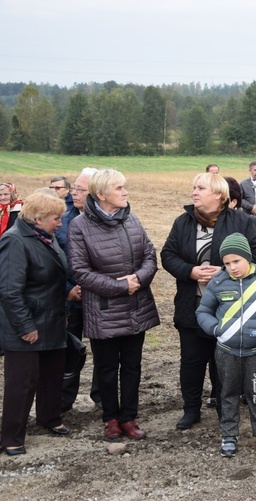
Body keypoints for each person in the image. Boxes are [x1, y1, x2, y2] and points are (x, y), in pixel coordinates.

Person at [161, 173, 256, 431]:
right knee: (191, 362)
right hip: (192, 306)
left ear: (219, 195)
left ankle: (226, 411)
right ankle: (190, 410)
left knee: (224, 363)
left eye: (200, 188)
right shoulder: (183, 222)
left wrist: (227, 272)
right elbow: (167, 255)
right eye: (193, 187)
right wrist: (190, 271)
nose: (194, 192)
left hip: (232, 308)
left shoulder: (243, 222)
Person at [68, 169, 160, 440]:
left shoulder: (131, 220)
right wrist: (121, 286)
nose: (125, 192)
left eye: (124, 187)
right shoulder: (80, 226)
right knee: (106, 368)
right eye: (119, 188)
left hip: (135, 307)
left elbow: (150, 256)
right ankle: (111, 418)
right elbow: (81, 272)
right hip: (104, 310)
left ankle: (129, 417)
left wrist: (138, 280)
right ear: (101, 194)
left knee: (132, 366)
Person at [196, 233, 256, 457]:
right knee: (227, 392)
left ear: (248, 258)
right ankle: (229, 435)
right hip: (226, 351)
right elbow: (203, 311)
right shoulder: (218, 283)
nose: (232, 267)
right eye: (226, 263)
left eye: (236, 261)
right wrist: (216, 330)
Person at [0, 191, 69, 456]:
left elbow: (48, 277)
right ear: (39, 219)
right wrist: (25, 327)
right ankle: (11, 437)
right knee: (22, 383)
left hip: (51, 320)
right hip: (25, 325)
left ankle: (49, 418)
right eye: (56, 218)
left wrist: (66, 292)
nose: (60, 223)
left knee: (52, 375)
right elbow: (9, 290)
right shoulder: (14, 242)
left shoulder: (45, 237)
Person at [56, 167, 101, 412]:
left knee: (103, 353)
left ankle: (102, 399)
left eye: (80, 189)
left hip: (100, 298)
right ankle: (63, 402)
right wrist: (66, 289)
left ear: (96, 193)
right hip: (70, 298)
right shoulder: (61, 217)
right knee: (67, 350)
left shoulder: (112, 218)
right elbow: (51, 259)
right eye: (73, 187)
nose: (74, 193)